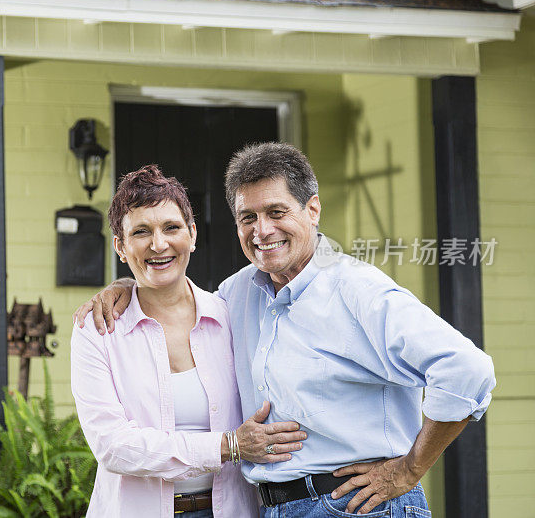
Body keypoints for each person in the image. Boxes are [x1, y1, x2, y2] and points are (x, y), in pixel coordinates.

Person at [74, 143, 496, 517]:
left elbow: (466, 370)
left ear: (312, 210)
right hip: (274, 506)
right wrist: (126, 285)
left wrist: (409, 469)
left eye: (277, 212)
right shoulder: (237, 296)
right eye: (248, 217)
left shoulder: (358, 290)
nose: (262, 231)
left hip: (354, 504)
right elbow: (167, 291)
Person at [71, 165, 308, 518]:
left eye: (171, 227)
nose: (159, 244)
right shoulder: (99, 330)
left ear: (192, 234)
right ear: (121, 247)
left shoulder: (232, 315)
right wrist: (228, 446)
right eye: (141, 232)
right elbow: (113, 447)